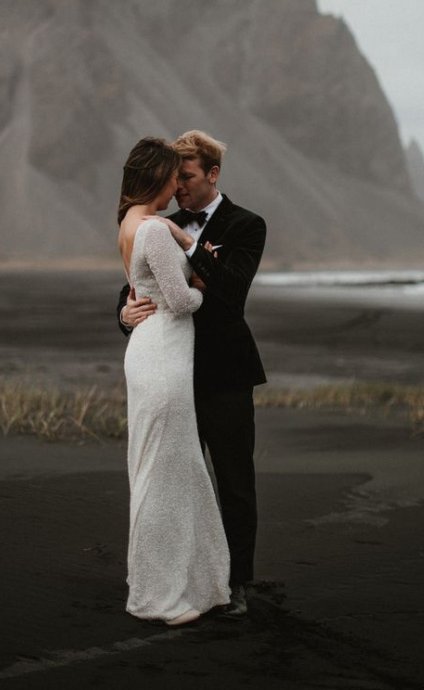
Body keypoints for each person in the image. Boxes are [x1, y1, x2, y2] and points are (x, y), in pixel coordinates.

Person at [118, 130, 267, 619]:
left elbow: (232, 293)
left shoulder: (248, 225)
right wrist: (125, 314)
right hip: (170, 373)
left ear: (213, 174)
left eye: (187, 176)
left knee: (234, 481)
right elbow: (135, 287)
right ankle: (183, 574)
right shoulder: (161, 223)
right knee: (176, 478)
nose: (178, 186)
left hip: (224, 373)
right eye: (173, 178)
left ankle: (237, 581)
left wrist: (195, 251)